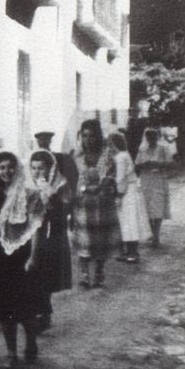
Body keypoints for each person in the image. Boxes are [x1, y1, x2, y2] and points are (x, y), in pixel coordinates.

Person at [0, 150, 47, 369]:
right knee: (4, 308)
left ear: (18, 168)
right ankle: (11, 355)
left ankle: (30, 341)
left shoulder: (30, 194)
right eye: (2, 167)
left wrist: (33, 257)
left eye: (10, 167)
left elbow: (36, 228)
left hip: (21, 256)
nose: (6, 171)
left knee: (25, 307)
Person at [27, 150, 73, 329]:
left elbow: (65, 209)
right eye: (33, 168)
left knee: (46, 274)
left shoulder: (59, 184)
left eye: (41, 168)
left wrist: (50, 196)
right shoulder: (28, 185)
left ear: (49, 168)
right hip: (34, 234)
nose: (37, 172)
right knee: (34, 274)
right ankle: (39, 311)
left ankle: (45, 313)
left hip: (52, 235)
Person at [71, 119, 119, 289]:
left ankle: (99, 273)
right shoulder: (76, 156)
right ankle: (84, 275)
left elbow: (113, 176)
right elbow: (72, 179)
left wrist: (104, 184)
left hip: (102, 203)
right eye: (84, 136)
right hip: (83, 203)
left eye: (92, 136)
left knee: (100, 239)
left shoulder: (108, 155)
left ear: (98, 136)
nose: (88, 139)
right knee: (84, 238)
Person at [108, 131, 152, 264]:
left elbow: (121, 178)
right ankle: (130, 251)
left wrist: (119, 194)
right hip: (131, 190)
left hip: (128, 192)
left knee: (129, 222)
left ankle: (133, 253)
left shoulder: (120, 157)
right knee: (128, 223)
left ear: (114, 143)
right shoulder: (124, 154)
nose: (109, 146)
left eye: (110, 143)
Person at [136, 127, 172, 248]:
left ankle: (156, 235)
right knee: (148, 209)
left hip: (159, 181)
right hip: (146, 181)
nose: (151, 139)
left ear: (157, 137)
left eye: (153, 136)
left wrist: (157, 164)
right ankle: (152, 233)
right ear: (146, 138)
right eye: (149, 137)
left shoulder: (163, 148)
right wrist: (145, 164)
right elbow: (136, 166)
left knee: (157, 208)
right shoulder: (142, 150)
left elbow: (170, 164)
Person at [34, 130, 79, 197]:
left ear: (50, 140)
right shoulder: (33, 159)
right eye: (41, 139)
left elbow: (72, 177)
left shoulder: (60, 158)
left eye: (46, 139)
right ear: (37, 141)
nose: (43, 142)